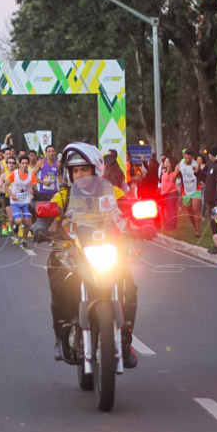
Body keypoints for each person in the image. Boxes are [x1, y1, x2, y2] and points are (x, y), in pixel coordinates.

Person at [43, 142, 139, 369]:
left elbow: (128, 206)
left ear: (95, 170)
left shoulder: (112, 192)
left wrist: (143, 220)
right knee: (59, 282)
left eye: (84, 169)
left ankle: (125, 338)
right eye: (75, 170)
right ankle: (61, 335)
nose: (79, 174)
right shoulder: (64, 195)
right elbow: (48, 212)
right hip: (72, 250)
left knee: (130, 285)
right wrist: (40, 223)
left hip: (108, 248)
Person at [7, 154, 37, 248]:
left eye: (26, 163)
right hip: (15, 201)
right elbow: (5, 185)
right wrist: (12, 195)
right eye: (23, 163)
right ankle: (16, 227)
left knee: (27, 222)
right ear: (19, 164)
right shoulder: (14, 174)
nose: (25, 165)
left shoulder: (31, 175)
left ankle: (24, 240)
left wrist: (32, 192)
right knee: (18, 220)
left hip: (26, 201)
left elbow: (33, 187)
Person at [178, 149, 202, 237]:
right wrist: (173, 178)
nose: (187, 160)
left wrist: (197, 171)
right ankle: (194, 225)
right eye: (186, 158)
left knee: (195, 209)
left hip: (196, 189)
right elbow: (175, 174)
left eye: (189, 158)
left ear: (192, 157)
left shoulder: (195, 163)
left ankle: (198, 230)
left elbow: (200, 173)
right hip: (185, 190)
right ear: (184, 156)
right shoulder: (180, 165)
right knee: (189, 210)